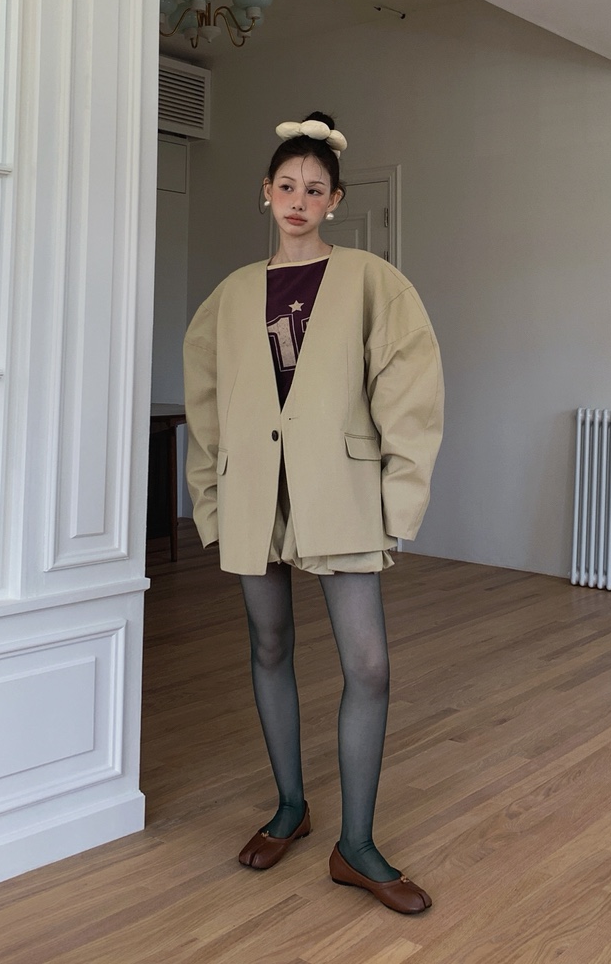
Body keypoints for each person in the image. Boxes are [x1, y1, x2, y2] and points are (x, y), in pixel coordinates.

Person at [183, 112, 444, 914]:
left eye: (315, 190)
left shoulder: (371, 280)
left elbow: (409, 388)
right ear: (266, 193)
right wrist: (210, 499)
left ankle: (356, 845)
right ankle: (291, 806)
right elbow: (207, 406)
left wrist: (401, 496)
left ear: (335, 201)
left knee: (369, 666)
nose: (299, 201)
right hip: (255, 491)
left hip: (340, 490)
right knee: (269, 644)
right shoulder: (230, 296)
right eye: (287, 187)